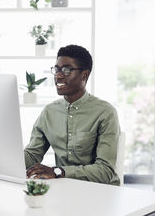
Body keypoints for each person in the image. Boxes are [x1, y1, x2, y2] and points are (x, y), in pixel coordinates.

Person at [24, 44, 121, 185]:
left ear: (84, 74)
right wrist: (2, 158)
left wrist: (59, 171)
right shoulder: (49, 112)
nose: (58, 75)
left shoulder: (105, 112)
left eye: (66, 70)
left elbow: (105, 171)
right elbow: (33, 154)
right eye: (56, 69)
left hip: (101, 192)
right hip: (65, 188)